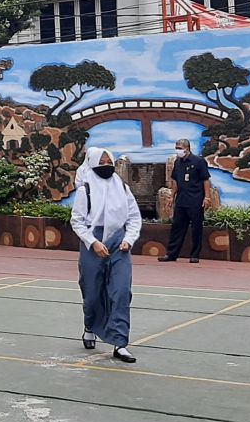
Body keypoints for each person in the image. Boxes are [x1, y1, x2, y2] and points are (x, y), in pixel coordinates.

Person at [71, 147, 142, 364]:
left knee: (120, 291)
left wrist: (129, 239)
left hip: (119, 243)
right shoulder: (86, 190)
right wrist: (93, 242)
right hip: (93, 241)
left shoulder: (121, 186)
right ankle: (90, 325)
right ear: (92, 163)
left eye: (108, 160)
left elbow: (134, 216)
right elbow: (77, 221)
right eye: (101, 161)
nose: (106, 164)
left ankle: (120, 343)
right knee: (92, 292)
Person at [159, 138, 212, 264]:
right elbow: (175, 180)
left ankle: (194, 255)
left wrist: (207, 197)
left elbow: (205, 180)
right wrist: (172, 196)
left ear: (187, 148)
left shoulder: (199, 161)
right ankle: (171, 254)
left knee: (196, 228)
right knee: (177, 227)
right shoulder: (178, 162)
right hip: (181, 200)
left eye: (180, 148)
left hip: (196, 200)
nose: (178, 150)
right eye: (176, 148)